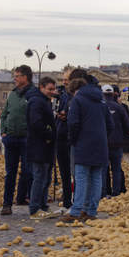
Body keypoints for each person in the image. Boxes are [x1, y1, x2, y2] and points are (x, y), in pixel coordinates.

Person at [62, 77, 113, 222]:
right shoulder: (102, 101)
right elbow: (110, 125)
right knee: (96, 178)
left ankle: (76, 210)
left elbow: (73, 123)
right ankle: (91, 211)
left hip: (83, 144)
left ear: (74, 91)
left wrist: (73, 140)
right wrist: (102, 137)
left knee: (82, 177)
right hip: (100, 144)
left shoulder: (77, 101)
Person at [0, 65, 36, 215]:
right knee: (10, 173)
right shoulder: (12, 94)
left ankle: (27, 199)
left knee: (28, 171)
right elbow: (4, 115)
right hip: (11, 138)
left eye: (17, 76)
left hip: (27, 139)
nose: (14, 78)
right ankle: (7, 204)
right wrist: (3, 132)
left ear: (25, 77)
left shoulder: (34, 94)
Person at [26, 76, 58, 220]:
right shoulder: (37, 102)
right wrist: (49, 134)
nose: (53, 92)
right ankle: (35, 208)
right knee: (39, 177)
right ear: (42, 88)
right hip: (39, 145)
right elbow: (36, 123)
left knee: (45, 177)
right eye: (50, 89)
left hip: (45, 145)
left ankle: (43, 205)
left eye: (53, 89)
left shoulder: (43, 101)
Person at [102, 84, 129, 196]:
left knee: (103, 170)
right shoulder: (120, 107)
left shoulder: (100, 106)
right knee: (116, 170)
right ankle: (116, 193)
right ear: (114, 94)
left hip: (103, 143)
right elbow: (128, 126)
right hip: (117, 143)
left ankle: (104, 193)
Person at [54, 68, 73, 211]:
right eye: (63, 79)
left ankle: (73, 200)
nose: (64, 81)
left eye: (67, 79)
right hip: (61, 135)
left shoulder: (72, 96)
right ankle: (67, 200)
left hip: (69, 136)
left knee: (73, 172)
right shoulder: (64, 95)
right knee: (65, 172)